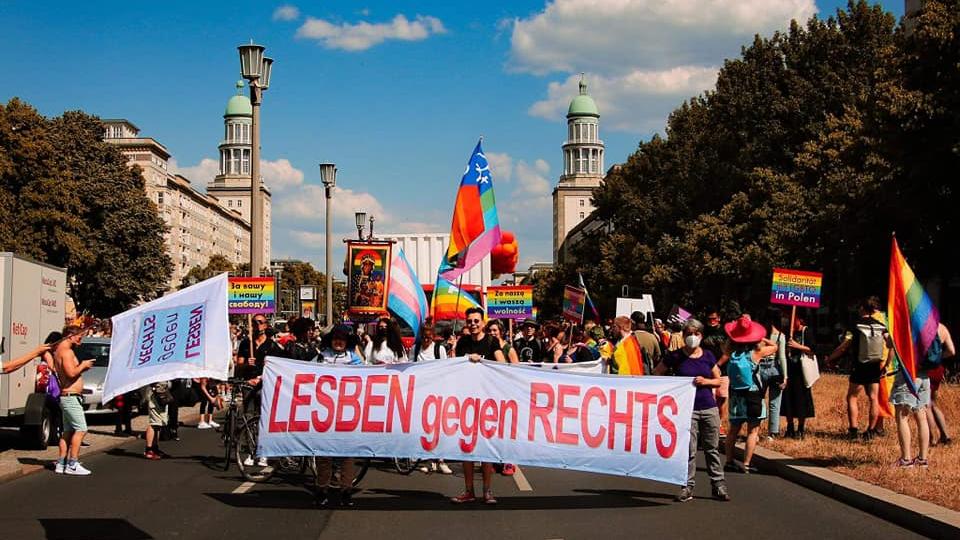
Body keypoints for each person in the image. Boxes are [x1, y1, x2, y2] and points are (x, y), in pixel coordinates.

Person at [655, 318, 729, 502]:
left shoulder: (708, 355)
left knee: (712, 448)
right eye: (689, 334)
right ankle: (687, 486)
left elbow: (719, 380)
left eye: (696, 334)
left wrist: (706, 382)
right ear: (683, 335)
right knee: (689, 450)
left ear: (701, 336)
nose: (692, 337)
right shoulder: (675, 356)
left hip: (708, 407)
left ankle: (718, 485)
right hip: (686, 411)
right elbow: (657, 373)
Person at [451, 307, 506, 505]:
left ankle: (487, 491)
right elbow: (453, 366)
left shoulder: (491, 342)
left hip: (487, 402)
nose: (472, 324)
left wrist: (481, 361)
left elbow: (503, 364)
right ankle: (468, 491)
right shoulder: (463, 342)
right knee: (466, 448)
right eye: (469, 321)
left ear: (482, 323)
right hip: (466, 401)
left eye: (476, 321)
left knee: (485, 448)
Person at [722, 314, 779, 474]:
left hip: (735, 394)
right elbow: (775, 346)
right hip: (753, 394)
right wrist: (763, 338)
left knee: (733, 429)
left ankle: (729, 461)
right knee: (753, 430)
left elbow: (728, 343)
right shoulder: (756, 353)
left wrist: (733, 337)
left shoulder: (731, 352)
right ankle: (746, 464)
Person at [828, 297, 890, 440]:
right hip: (875, 365)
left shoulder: (855, 325)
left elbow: (845, 345)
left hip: (859, 365)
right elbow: (891, 344)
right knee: (874, 398)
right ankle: (870, 430)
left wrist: (831, 358)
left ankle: (853, 429)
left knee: (852, 396)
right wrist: (887, 363)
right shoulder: (880, 325)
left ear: (862, 308)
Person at [314, 325, 363, 506]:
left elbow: (368, 378)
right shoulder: (321, 358)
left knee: (347, 456)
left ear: (347, 341)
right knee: (323, 455)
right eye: (336, 338)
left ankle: (346, 492)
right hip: (324, 414)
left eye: (342, 338)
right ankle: (322, 491)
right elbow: (303, 374)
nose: (339, 341)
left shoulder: (354, 359)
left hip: (347, 414)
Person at [52, 325, 95, 475]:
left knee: (68, 431)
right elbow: (71, 373)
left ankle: (61, 462)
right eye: (79, 336)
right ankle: (72, 463)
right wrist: (83, 365)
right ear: (70, 336)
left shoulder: (58, 351)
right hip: (70, 397)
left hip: (67, 397)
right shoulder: (67, 352)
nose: (81, 339)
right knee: (81, 429)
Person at [781, 315, 816, 438]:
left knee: (802, 399)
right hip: (789, 370)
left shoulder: (806, 331)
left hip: (801, 372)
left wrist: (797, 346)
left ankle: (801, 429)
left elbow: (812, 350)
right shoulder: (786, 332)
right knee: (788, 399)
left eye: (793, 320)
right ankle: (790, 427)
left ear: (800, 320)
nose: (790, 323)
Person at [758, 308, 788, 439]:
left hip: (759, 369)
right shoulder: (780, 336)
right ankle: (773, 432)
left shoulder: (759, 335)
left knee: (758, 400)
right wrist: (785, 376)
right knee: (775, 402)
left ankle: (755, 429)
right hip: (774, 369)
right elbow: (782, 357)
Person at [927, 323, 955, 445]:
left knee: (925, 405)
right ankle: (945, 436)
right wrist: (938, 357)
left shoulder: (922, 327)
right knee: (933, 403)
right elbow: (951, 351)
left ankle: (933, 438)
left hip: (925, 369)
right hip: (938, 368)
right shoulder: (942, 328)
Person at [702, 309, 729, 434]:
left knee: (722, 398)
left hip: (723, 370)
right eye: (709, 319)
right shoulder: (703, 331)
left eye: (714, 319)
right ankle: (709, 425)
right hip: (707, 371)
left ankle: (719, 424)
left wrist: (718, 365)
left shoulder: (724, 332)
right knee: (710, 399)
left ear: (719, 319)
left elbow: (728, 352)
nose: (711, 321)